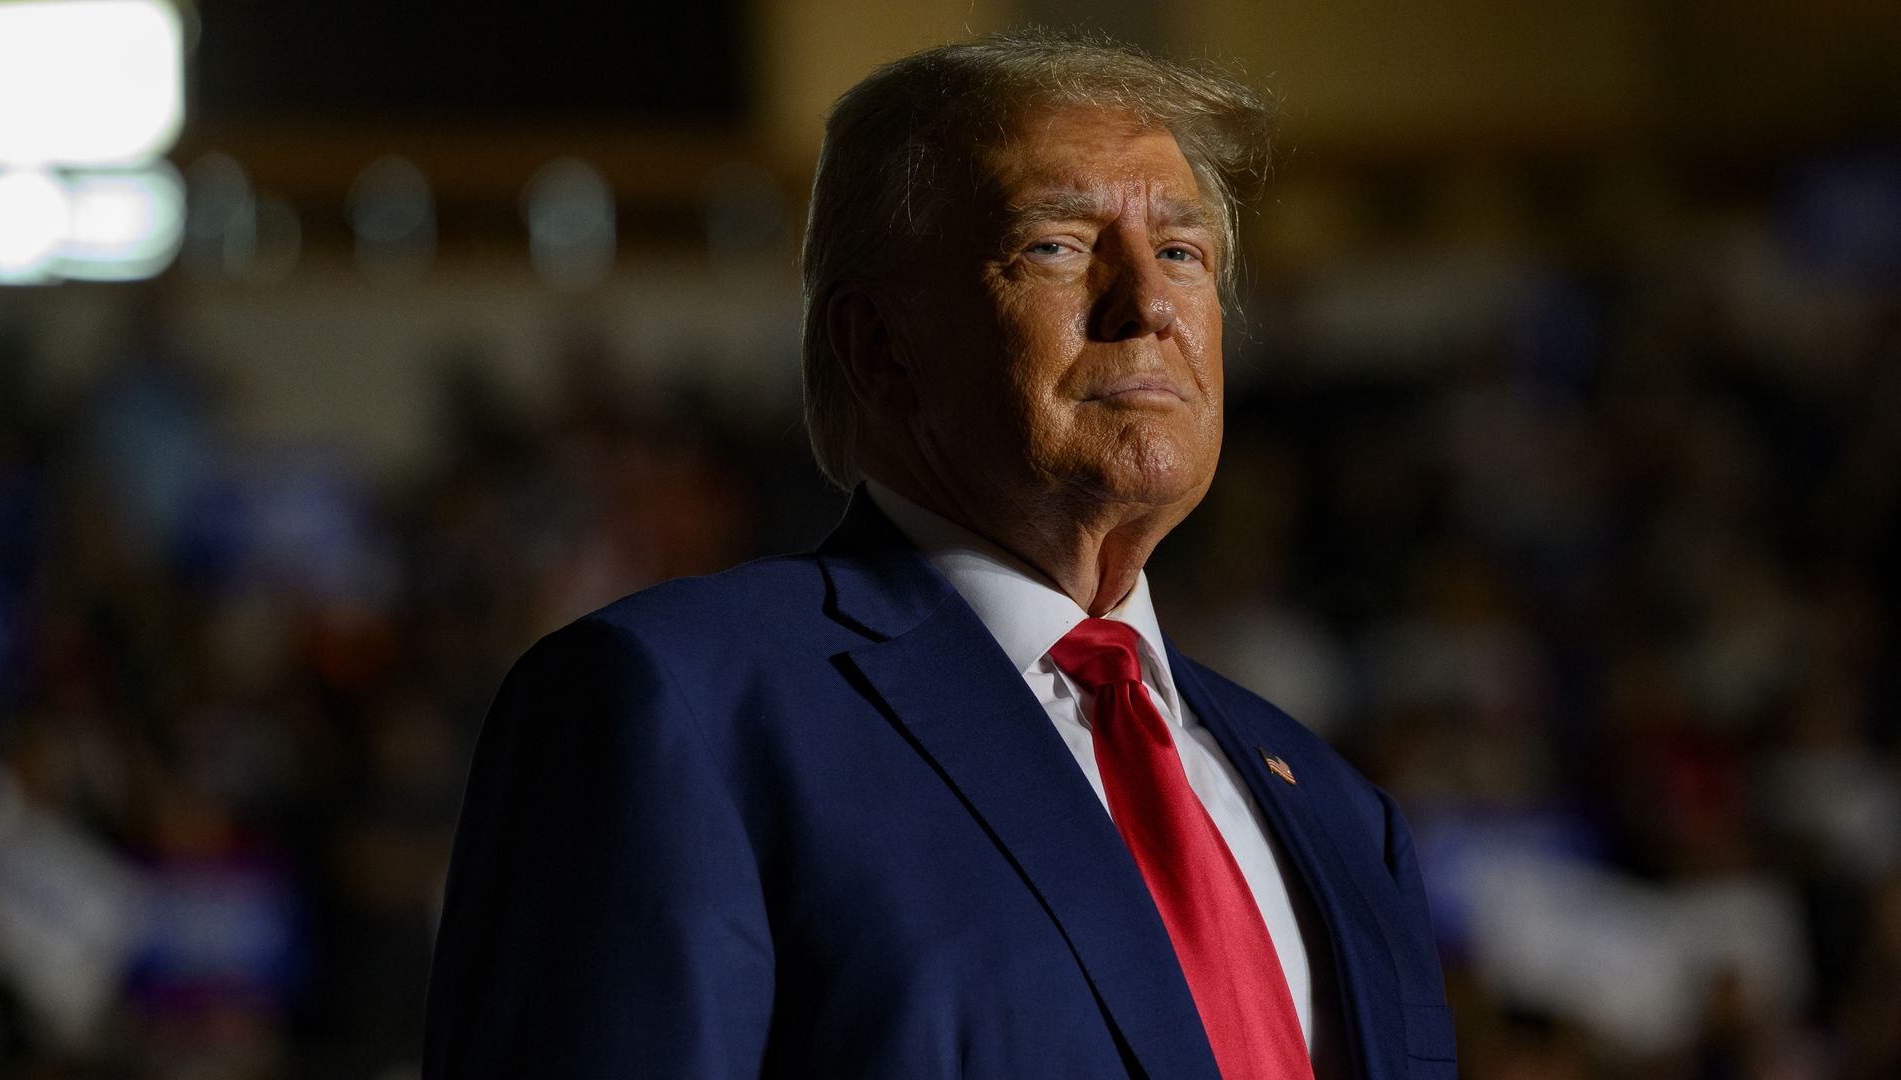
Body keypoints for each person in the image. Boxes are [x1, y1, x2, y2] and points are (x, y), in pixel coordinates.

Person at [423, 29, 1455, 1080]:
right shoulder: (678, 707)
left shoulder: (1342, 812)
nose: (1148, 303)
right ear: (879, 347)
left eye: (1182, 254)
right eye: (1057, 246)